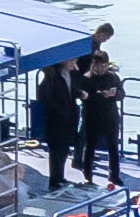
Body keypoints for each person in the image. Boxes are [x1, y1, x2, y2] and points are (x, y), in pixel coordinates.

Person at [69, 26, 128, 190]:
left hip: (110, 117)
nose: (102, 69)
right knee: (89, 147)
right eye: (100, 66)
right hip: (92, 117)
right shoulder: (86, 79)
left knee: (113, 149)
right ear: (93, 64)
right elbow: (85, 96)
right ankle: (87, 176)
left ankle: (115, 175)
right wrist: (102, 94)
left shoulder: (113, 77)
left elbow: (122, 93)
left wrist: (115, 95)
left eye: (105, 66)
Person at [29, 56, 81, 189]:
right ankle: (54, 180)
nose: (73, 64)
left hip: (69, 118)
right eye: (71, 61)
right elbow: (44, 95)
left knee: (64, 149)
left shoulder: (71, 75)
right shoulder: (52, 77)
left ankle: (60, 177)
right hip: (55, 120)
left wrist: (80, 94)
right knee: (56, 151)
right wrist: (58, 109)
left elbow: (72, 92)